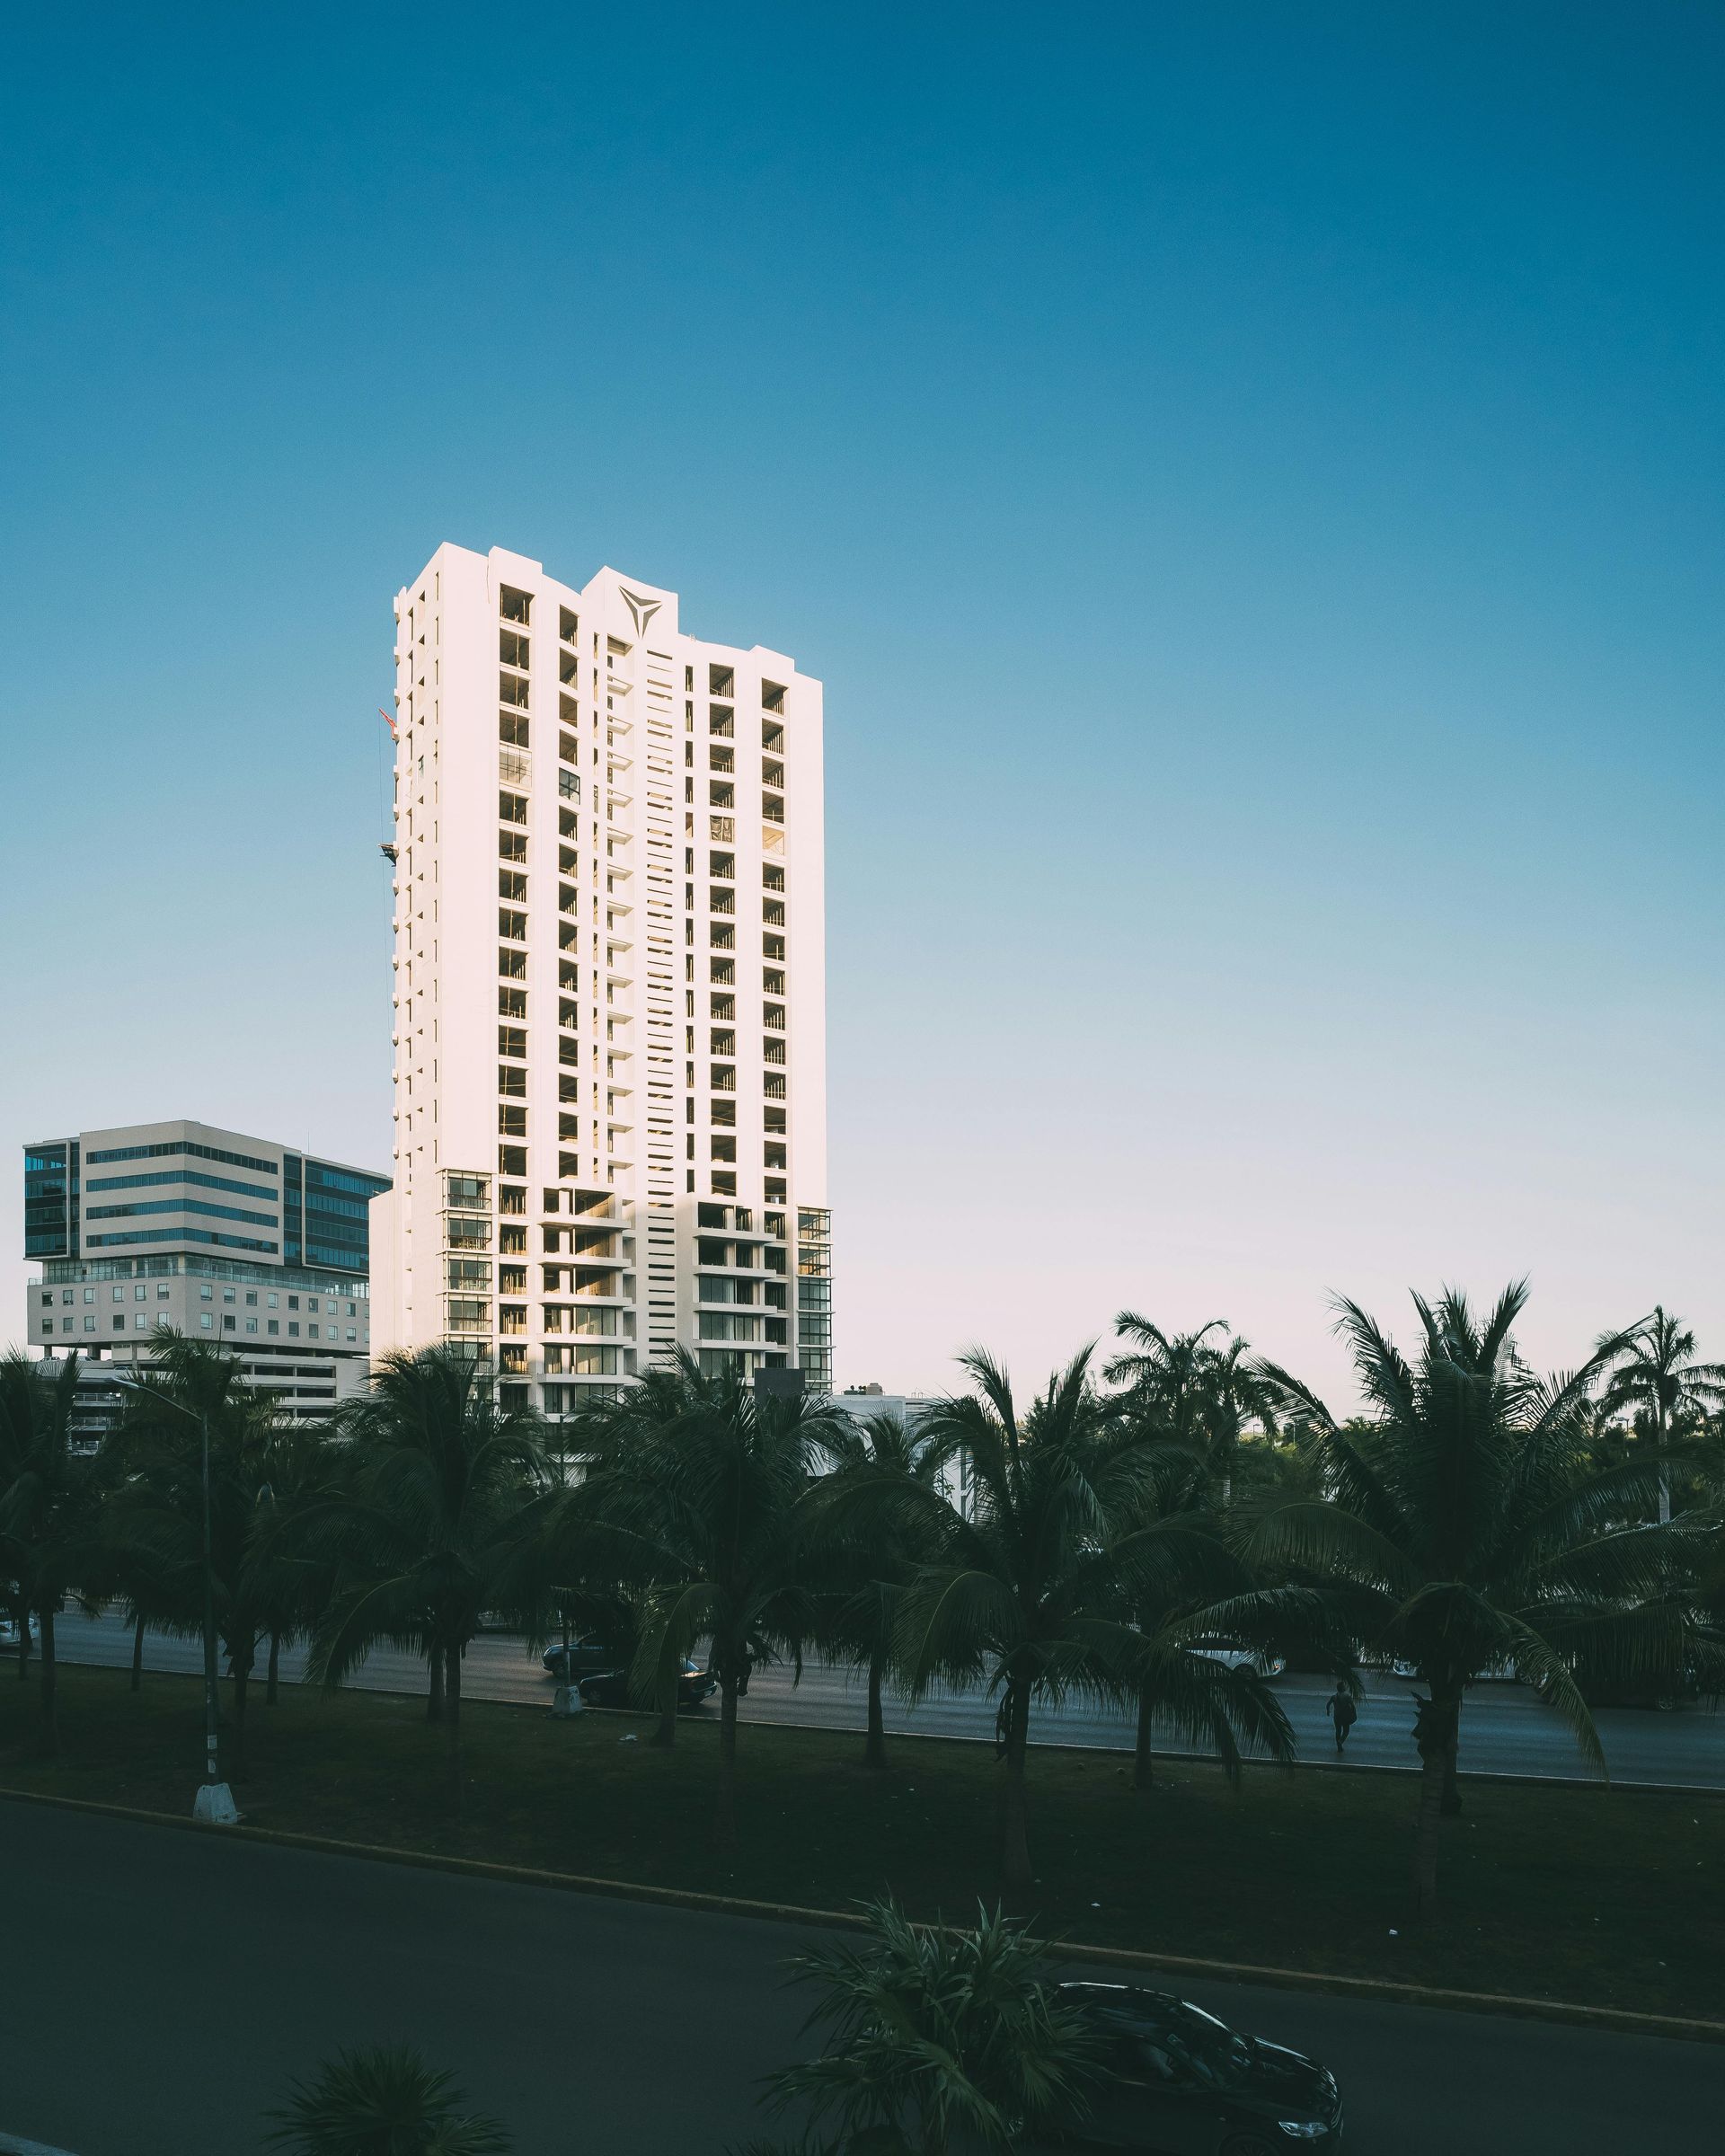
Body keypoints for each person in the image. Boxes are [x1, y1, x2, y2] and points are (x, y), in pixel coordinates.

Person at [1326, 1685, 1358, 1753]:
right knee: (1346, 1731)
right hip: (1345, 1717)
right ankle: (1341, 1741)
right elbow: (1352, 1706)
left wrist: (1328, 1711)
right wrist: (1354, 1714)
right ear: (1343, 1688)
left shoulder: (1334, 1696)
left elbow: (1328, 1704)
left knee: (1338, 1731)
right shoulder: (1347, 1696)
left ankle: (1339, 1747)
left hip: (1336, 1717)